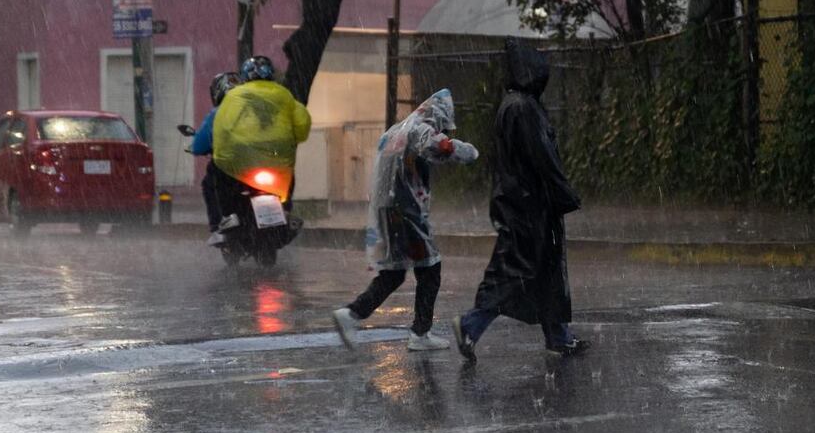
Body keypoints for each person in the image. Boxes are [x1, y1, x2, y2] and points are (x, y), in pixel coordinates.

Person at [452, 38, 589, 360]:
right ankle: (472, 324)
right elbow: (542, 156)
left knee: (541, 269)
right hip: (530, 205)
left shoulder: (514, 104)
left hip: (523, 202)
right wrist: (563, 191)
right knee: (518, 269)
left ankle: (558, 335)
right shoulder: (523, 107)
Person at [333, 89, 479, 352]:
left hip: (387, 209)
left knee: (394, 272)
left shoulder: (395, 130)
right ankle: (420, 334)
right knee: (430, 268)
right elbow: (439, 146)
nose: (444, 129)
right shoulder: (420, 128)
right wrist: (466, 151)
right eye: (444, 125)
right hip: (406, 211)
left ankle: (351, 314)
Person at [210, 55, 311, 232]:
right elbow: (302, 125)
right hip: (277, 157)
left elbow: (222, 127)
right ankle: (285, 208)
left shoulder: (235, 96)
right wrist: (293, 138)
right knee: (288, 176)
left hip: (242, 158)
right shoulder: (284, 95)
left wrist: (221, 151)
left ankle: (228, 214)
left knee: (219, 174)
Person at [194, 72, 243, 247]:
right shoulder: (255, 108)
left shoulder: (218, 112)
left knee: (210, 182)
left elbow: (199, 145)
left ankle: (217, 224)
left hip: (231, 164)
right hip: (261, 160)